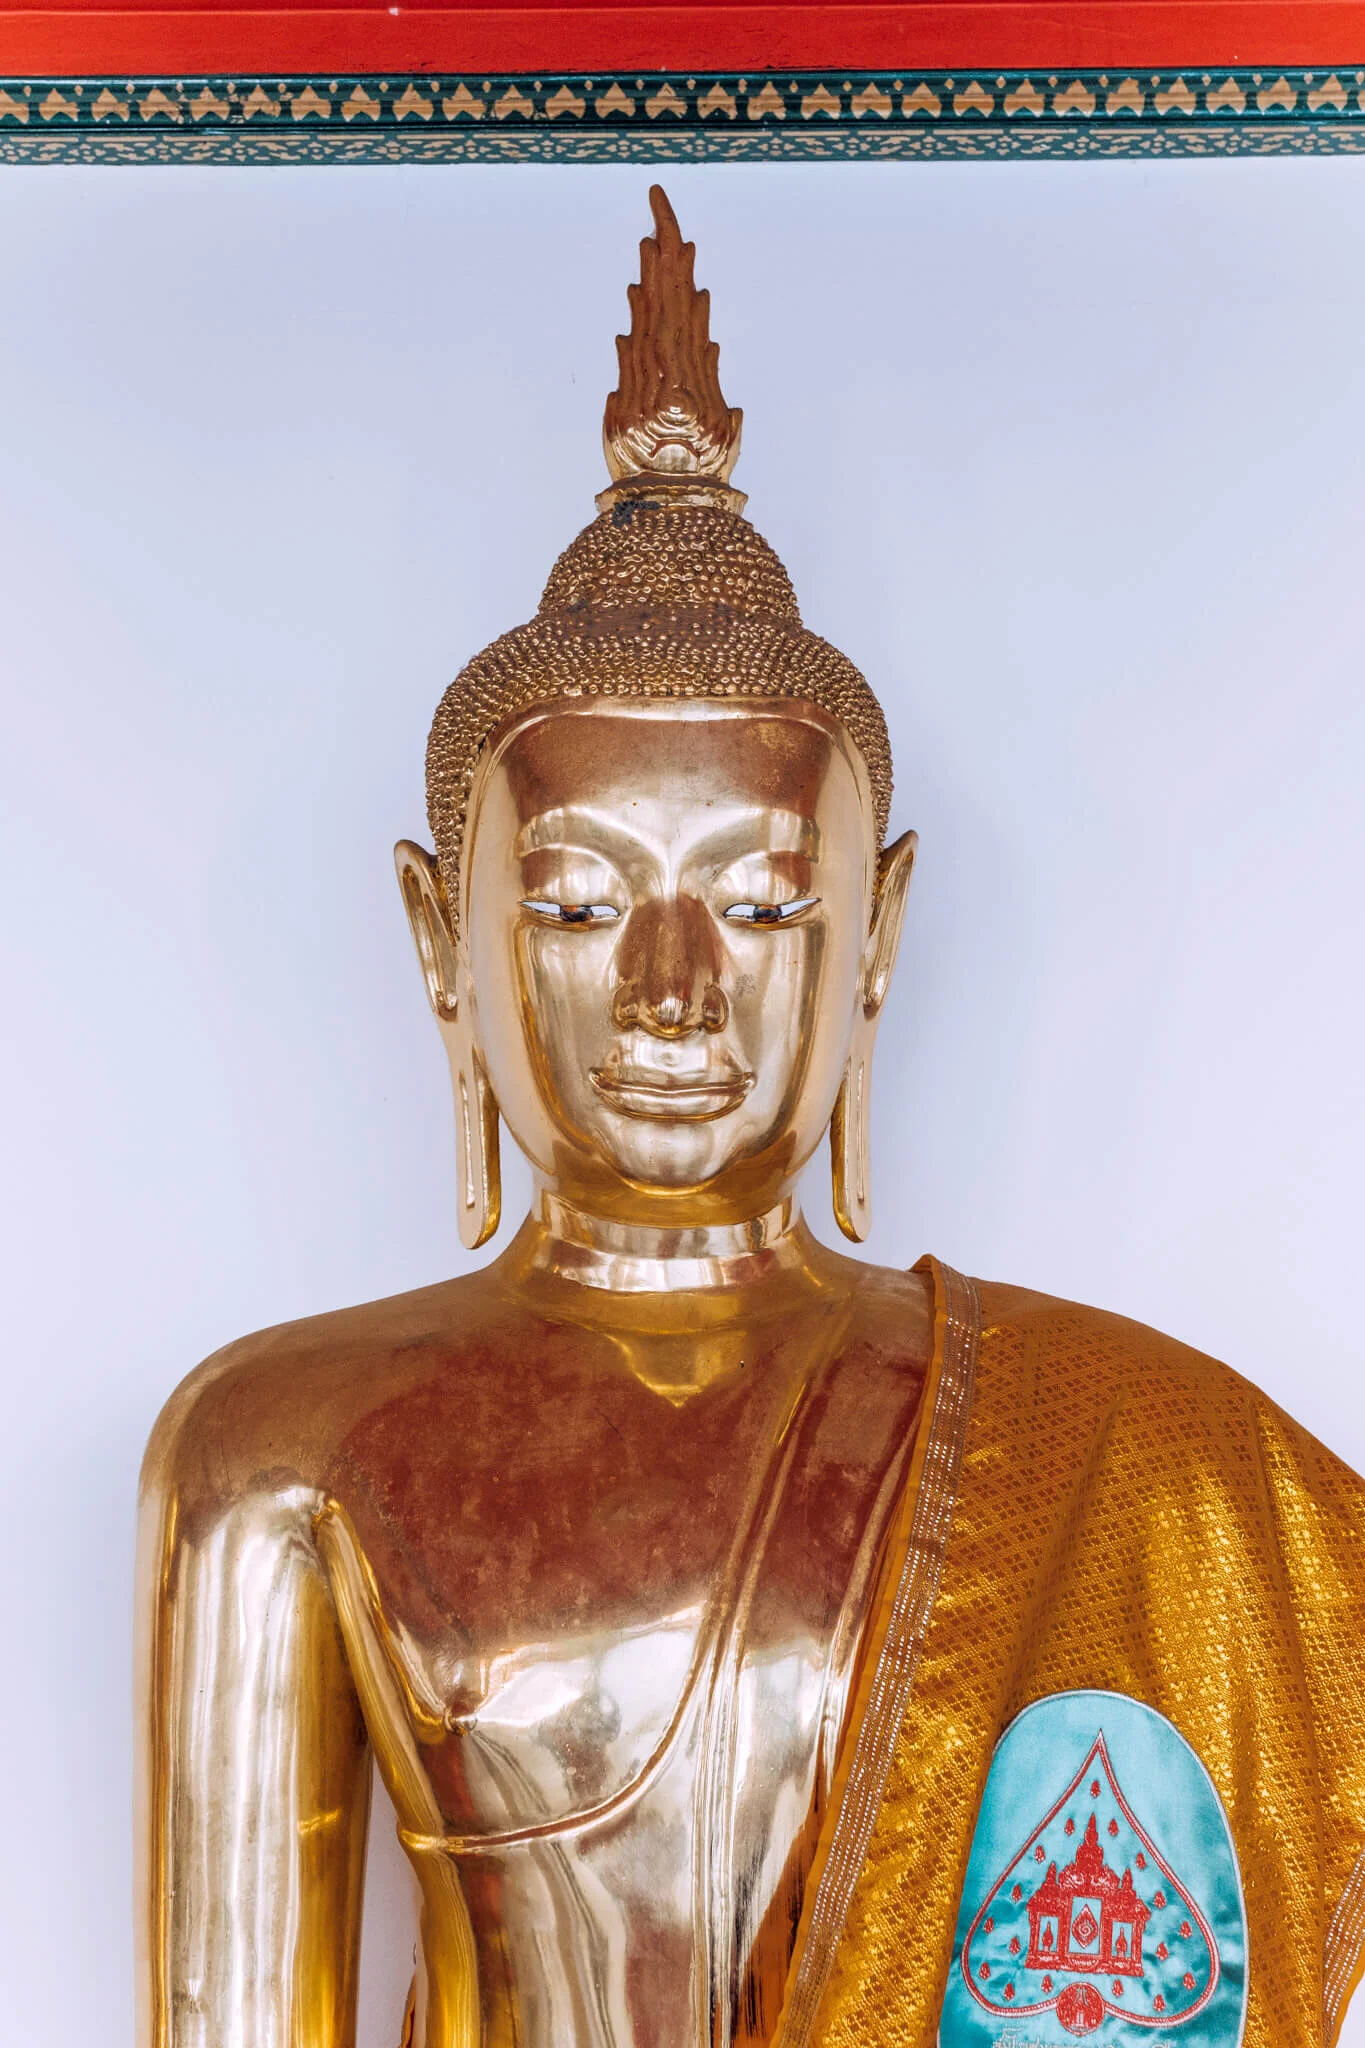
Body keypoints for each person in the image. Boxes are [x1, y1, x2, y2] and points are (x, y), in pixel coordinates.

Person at [136, 188, 1365, 2048]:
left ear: (881, 936)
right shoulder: (282, 1450)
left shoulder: (1105, 1460)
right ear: (440, 940)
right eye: (574, 902)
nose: (672, 986)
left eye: (768, 901)